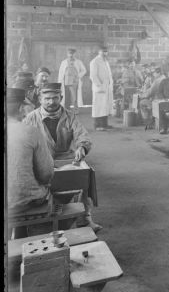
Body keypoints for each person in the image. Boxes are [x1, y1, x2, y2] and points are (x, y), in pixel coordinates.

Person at [23, 82, 101, 232]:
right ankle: (48, 221)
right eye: (47, 98)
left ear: (61, 97)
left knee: (84, 176)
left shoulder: (70, 116)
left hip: (66, 157)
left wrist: (82, 147)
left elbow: (82, 135)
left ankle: (84, 218)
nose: (51, 102)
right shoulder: (31, 118)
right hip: (40, 161)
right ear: (40, 99)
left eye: (55, 98)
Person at [7, 88, 54, 234]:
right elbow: (46, 173)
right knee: (52, 194)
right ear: (21, 107)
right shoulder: (30, 131)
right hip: (23, 202)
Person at [139, 67, 169, 131]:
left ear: (159, 73)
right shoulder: (164, 78)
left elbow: (150, 93)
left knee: (142, 103)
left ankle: (148, 122)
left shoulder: (157, 80)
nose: (153, 74)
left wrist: (142, 95)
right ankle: (151, 119)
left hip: (157, 101)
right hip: (165, 100)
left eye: (154, 73)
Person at [89, 45, 114, 131]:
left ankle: (104, 124)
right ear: (99, 52)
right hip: (99, 88)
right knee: (98, 106)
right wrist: (100, 85)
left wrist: (110, 84)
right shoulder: (95, 61)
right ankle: (97, 125)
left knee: (105, 106)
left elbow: (108, 74)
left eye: (106, 51)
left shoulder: (105, 61)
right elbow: (93, 76)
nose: (105, 53)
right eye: (103, 51)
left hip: (107, 87)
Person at [58, 47, 87, 112]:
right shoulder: (64, 62)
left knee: (74, 97)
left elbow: (84, 70)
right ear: (67, 54)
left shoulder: (78, 62)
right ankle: (66, 110)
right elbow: (61, 72)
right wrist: (60, 81)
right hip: (66, 81)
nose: (71, 55)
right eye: (69, 54)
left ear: (75, 54)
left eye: (72, 54)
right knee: (66, 96)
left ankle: (76, 109)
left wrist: (78, 76)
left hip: (74, 81)